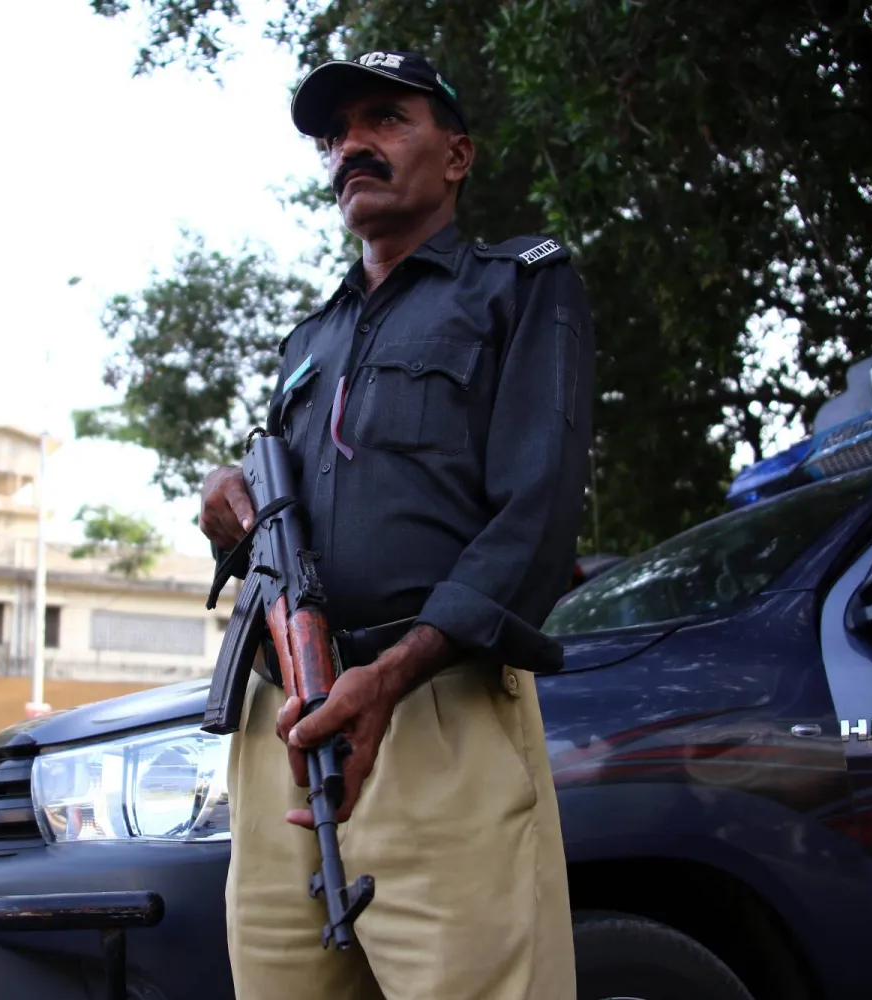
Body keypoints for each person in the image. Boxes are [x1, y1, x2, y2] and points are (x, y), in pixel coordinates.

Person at [198, 50, 595, 1000]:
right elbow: (286, 534)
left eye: (383, 119)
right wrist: (227, 518)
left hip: (433, 708)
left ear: (456, 156)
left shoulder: (520, 287)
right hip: (283, 727)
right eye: (336, 135)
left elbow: (535, 520)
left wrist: (393, 674)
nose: (351, 148)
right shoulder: (308, 344)